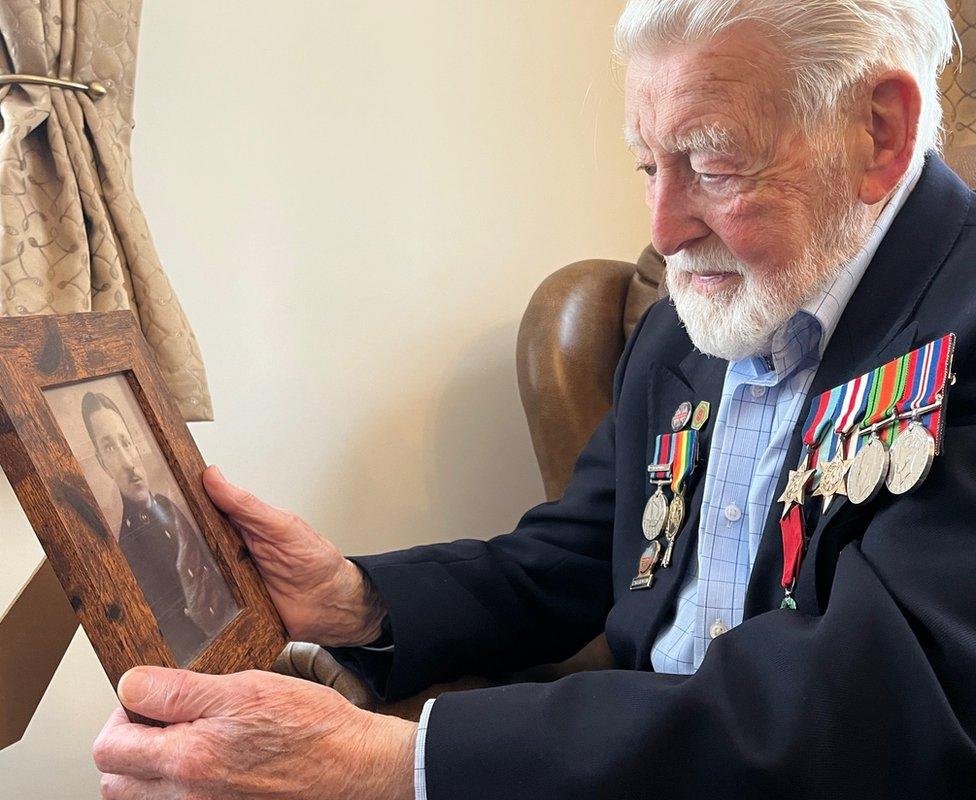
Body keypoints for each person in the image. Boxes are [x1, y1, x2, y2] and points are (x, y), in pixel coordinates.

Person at [92, 1, 976, 797]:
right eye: (646, 165)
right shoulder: (692, 321)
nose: (663, 229)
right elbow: (584, 554)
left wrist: (389, 761)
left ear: (879, 131)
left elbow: (888, 701)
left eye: (712, 163)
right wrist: (357, 598)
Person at [82, 392, 236, 665]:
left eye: (125, 442)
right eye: (109, 448)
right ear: (102, 463)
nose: (127, 461)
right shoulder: (127, 548)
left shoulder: (168, 506)